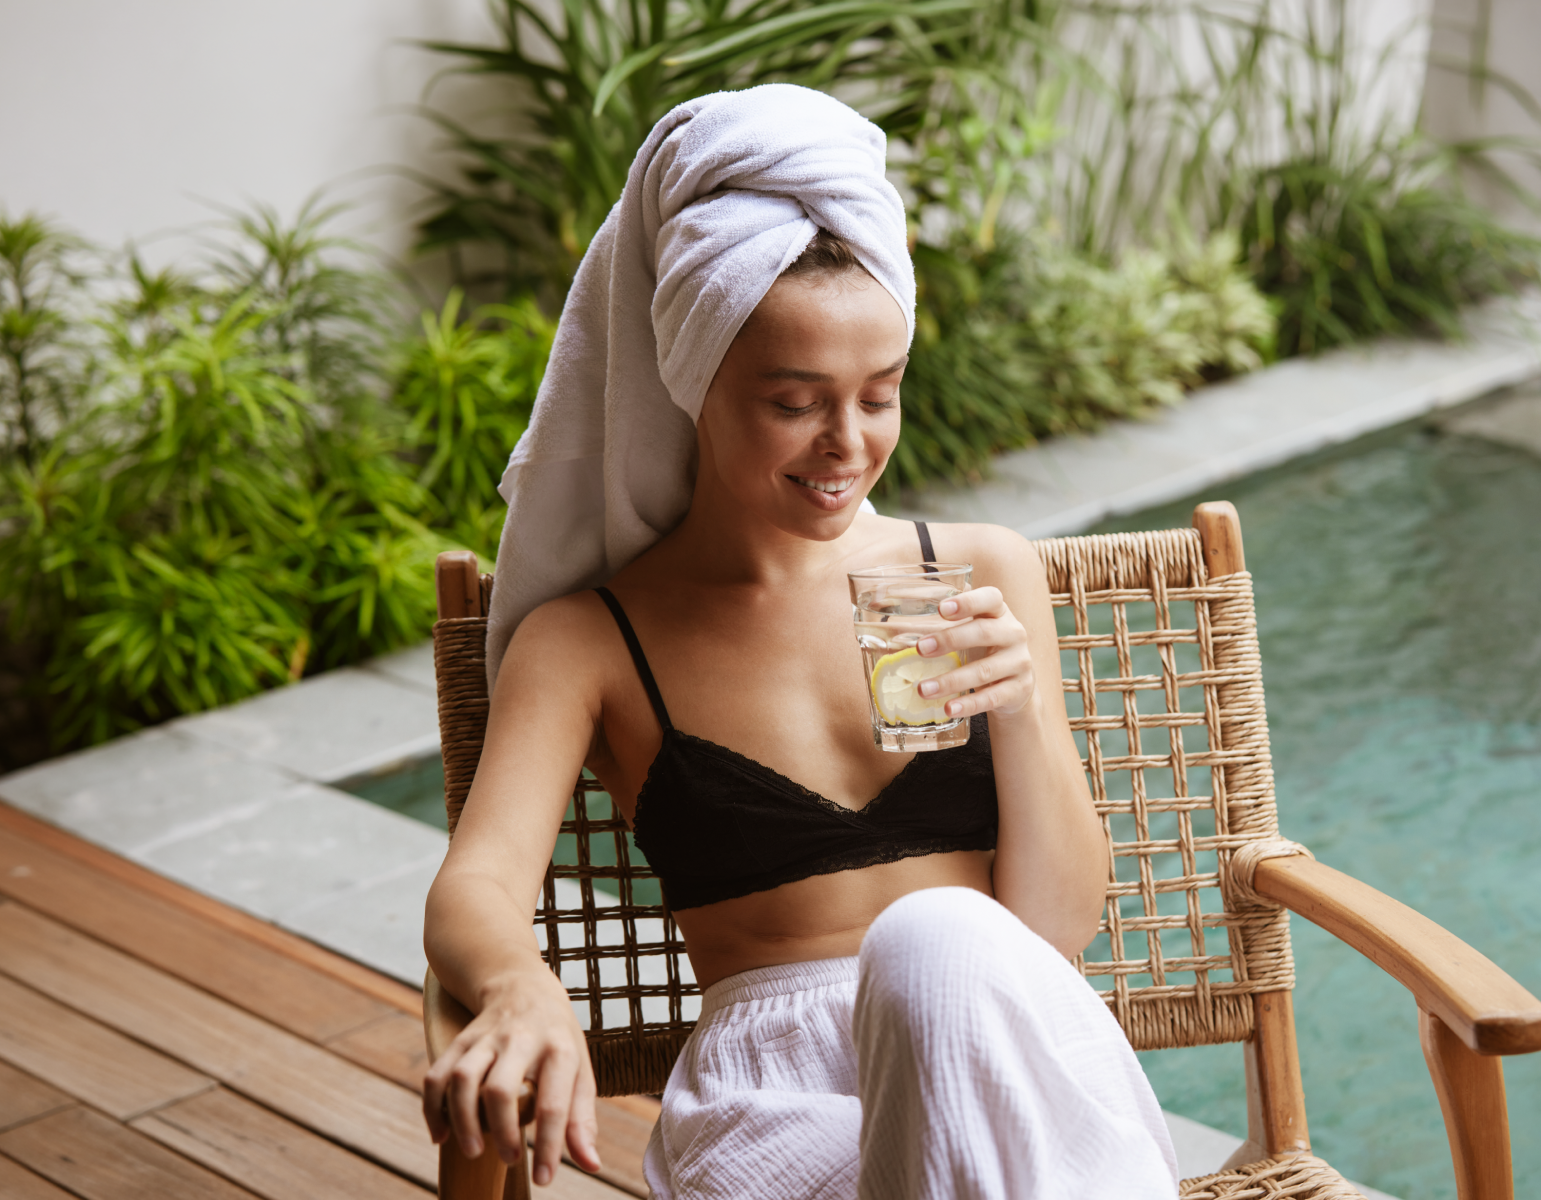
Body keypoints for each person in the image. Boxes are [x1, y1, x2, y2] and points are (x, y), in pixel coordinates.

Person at [422, 84, 1179, 1199]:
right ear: (695, 385)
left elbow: (1050, 941)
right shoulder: (592, 638)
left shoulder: (978, 572)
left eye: (882, 395)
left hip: (1010, 1065)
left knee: (942, 944)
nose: (848, 443)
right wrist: (521, 985)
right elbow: (475, 884)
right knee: (935, 940)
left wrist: (1016, 713)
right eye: (795, 401)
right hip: (774, 1112)